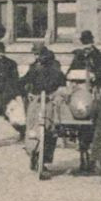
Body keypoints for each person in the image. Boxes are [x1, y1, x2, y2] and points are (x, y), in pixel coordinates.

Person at [20, 44, 66, 178]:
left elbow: (61, 82)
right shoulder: (34, 67)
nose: (36, 57)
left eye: (38, 54)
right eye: (34, 55)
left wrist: (57, 93)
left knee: (50, 129)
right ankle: (33, 153)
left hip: (50, 101)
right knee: (32, 127)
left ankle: (44, 161)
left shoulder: (54, 67)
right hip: (36, 101)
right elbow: (26, 80)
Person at [0, 40, 24, 139]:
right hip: (8, 93)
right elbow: (16, 80)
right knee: (9, 114)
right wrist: (17, 94)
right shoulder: (11, 63)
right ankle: (23, 131)